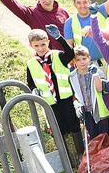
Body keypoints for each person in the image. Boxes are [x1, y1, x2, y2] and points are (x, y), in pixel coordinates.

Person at [28, 26, 82, 165]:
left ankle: (81, 155)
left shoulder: (58, 56)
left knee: (74, 125)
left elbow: (70, 53)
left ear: (48, 42)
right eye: (36, 46)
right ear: (31, 46)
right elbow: (31, 82)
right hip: (50, 103)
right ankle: (67, 159)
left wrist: (59, 38)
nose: (40, 48)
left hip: (66, 99)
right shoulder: (31, 63)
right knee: (59, 129)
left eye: (43, 44)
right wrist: (33, 90)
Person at [68, 46, 109, 140]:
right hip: (86, 112)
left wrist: (95, 75)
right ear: (74, 61)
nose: (82, 62)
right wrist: (77, 105)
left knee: (105, 137)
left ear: (89, 58)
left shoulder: (97, 72)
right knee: (93, 138)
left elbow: (100, 89)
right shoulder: (72, 76)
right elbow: (74, 94)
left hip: (100, 111)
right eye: (78, 60)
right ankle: (96, 155)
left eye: (84, 58)